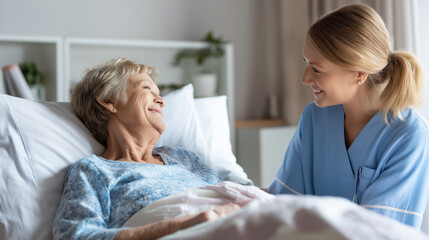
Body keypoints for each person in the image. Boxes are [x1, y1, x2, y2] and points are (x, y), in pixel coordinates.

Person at [269, 3, 429, 228]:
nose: (305, 79)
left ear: (359, 73)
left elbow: (374, 231)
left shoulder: (409, 136)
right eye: (306, 64)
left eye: (317, 69)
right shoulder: (313, 119)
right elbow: (282, 202)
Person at [53, 58, 239, 240]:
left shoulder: (184, 158)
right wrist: (187, 224)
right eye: (146, 88)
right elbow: (76, 235)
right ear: (109, 101)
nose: (161, 101)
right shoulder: (94, 171)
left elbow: (233, 197)